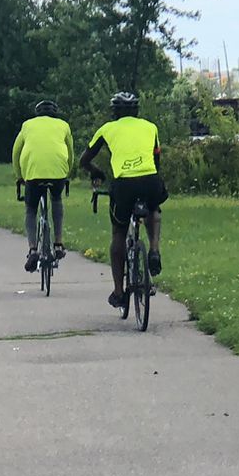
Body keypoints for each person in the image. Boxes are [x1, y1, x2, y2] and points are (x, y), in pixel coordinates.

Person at [79, 92, 166, 313]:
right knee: (154, 208)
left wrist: (96, 172)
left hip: (124, 184)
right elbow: (156, 159)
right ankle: (154, 250)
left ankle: (119, 292)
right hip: (150, 179)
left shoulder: (107, 129)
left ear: (114, 112)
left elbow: (84, 160)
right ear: (137, 111)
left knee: (119, 232)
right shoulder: (151, 127)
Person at [13, 100, 74, 271]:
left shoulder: (27, 125)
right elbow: (70, 152)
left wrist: (19, 175)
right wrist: (67, 172)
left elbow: (16, 151)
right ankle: (58, 243)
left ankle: (33, 249)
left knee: (31, 210)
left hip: (33, 173)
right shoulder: (64, 125)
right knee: (56, 199)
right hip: (58, 172)